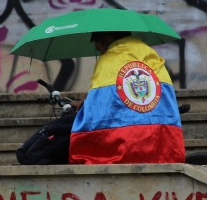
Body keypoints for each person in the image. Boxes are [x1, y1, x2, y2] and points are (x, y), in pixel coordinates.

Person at [68, 31, 185, 164]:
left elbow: (102, 105)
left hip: (125, 147)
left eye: (99, 48)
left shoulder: (108, 60)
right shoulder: (153, 56)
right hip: (164, 145)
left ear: (107, 41)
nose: (101, 53)